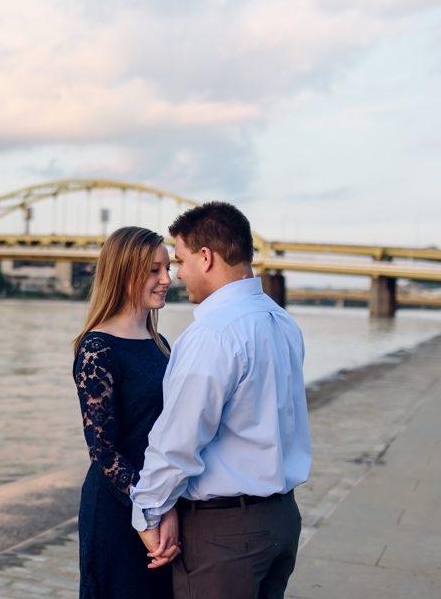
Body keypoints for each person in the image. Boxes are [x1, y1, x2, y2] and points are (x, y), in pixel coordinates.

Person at [130, 202, 312, 599]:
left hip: (227, 536)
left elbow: (179, 440)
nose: (177, 275)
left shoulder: (214, 333)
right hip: (281, 521)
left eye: (180, 260)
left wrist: (148, 511)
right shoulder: (283, 322)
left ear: (206, 257)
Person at [73, 226, 179, 599]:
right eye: (154, 270)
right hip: (121, 509)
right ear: (124, 272)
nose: (167, 279)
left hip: (160, 501)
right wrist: (147, 513)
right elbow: (103, 450)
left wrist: (166, 504)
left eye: (167, 268)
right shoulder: (97, 348)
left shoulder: (159, 343)